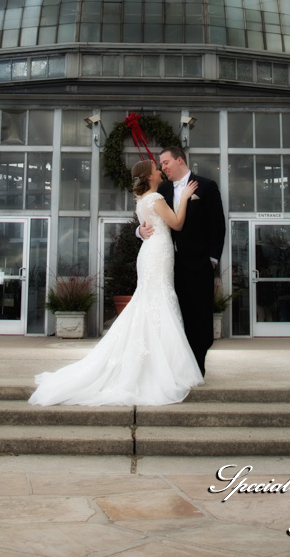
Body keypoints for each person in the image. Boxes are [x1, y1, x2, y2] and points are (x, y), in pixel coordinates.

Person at [29, 160, 203, 406]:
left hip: (152, 252)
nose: (159, 171)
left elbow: (153, 224)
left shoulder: (143, 200)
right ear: (149, 176)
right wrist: (184, 197)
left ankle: (156, 362)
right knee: (158, 299)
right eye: (156, 169)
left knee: (151, 301)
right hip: (157, 253)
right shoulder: (155, 199)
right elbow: (176, 223)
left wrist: (142, 230)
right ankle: (162, 367)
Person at [140, 146, 226, 376]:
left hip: (200, 264)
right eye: (160, 164)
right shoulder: (161, 190)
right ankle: (176, 367)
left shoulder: (206, 186)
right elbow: (147, 215)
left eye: (165, 162)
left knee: (200, 315)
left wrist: (212, 259)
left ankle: (197, 366)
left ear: (179, 160)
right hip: (168, 264)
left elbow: (217, 225)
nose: (162, 167)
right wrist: (140, 231)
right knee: (174, 314)